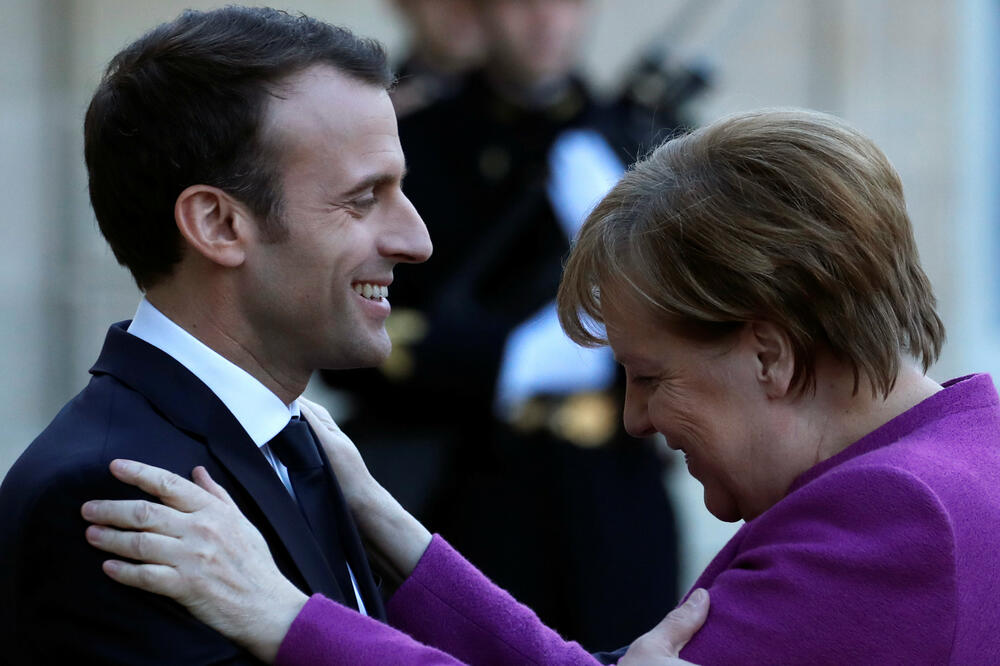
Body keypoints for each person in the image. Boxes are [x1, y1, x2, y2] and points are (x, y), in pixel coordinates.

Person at [86, 108, 1000, 664]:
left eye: (650, 378)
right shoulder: (964, 456)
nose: (637, 418)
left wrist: (284, 619)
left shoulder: (894, 520)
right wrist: (394, 529)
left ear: (770, 354)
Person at [0, 7, 431, 663]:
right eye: (364, 198)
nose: (416, 241)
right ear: (219, 225)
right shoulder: (122, 493)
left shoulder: (296, 447)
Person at [323, 0, 683, 648]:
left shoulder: (646, 140)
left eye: (568, 4)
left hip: (616, 498)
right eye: (522, 3)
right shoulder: (418, 145)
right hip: (476, 495)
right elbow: (345, 333)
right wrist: (514, 359)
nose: (548, 22)